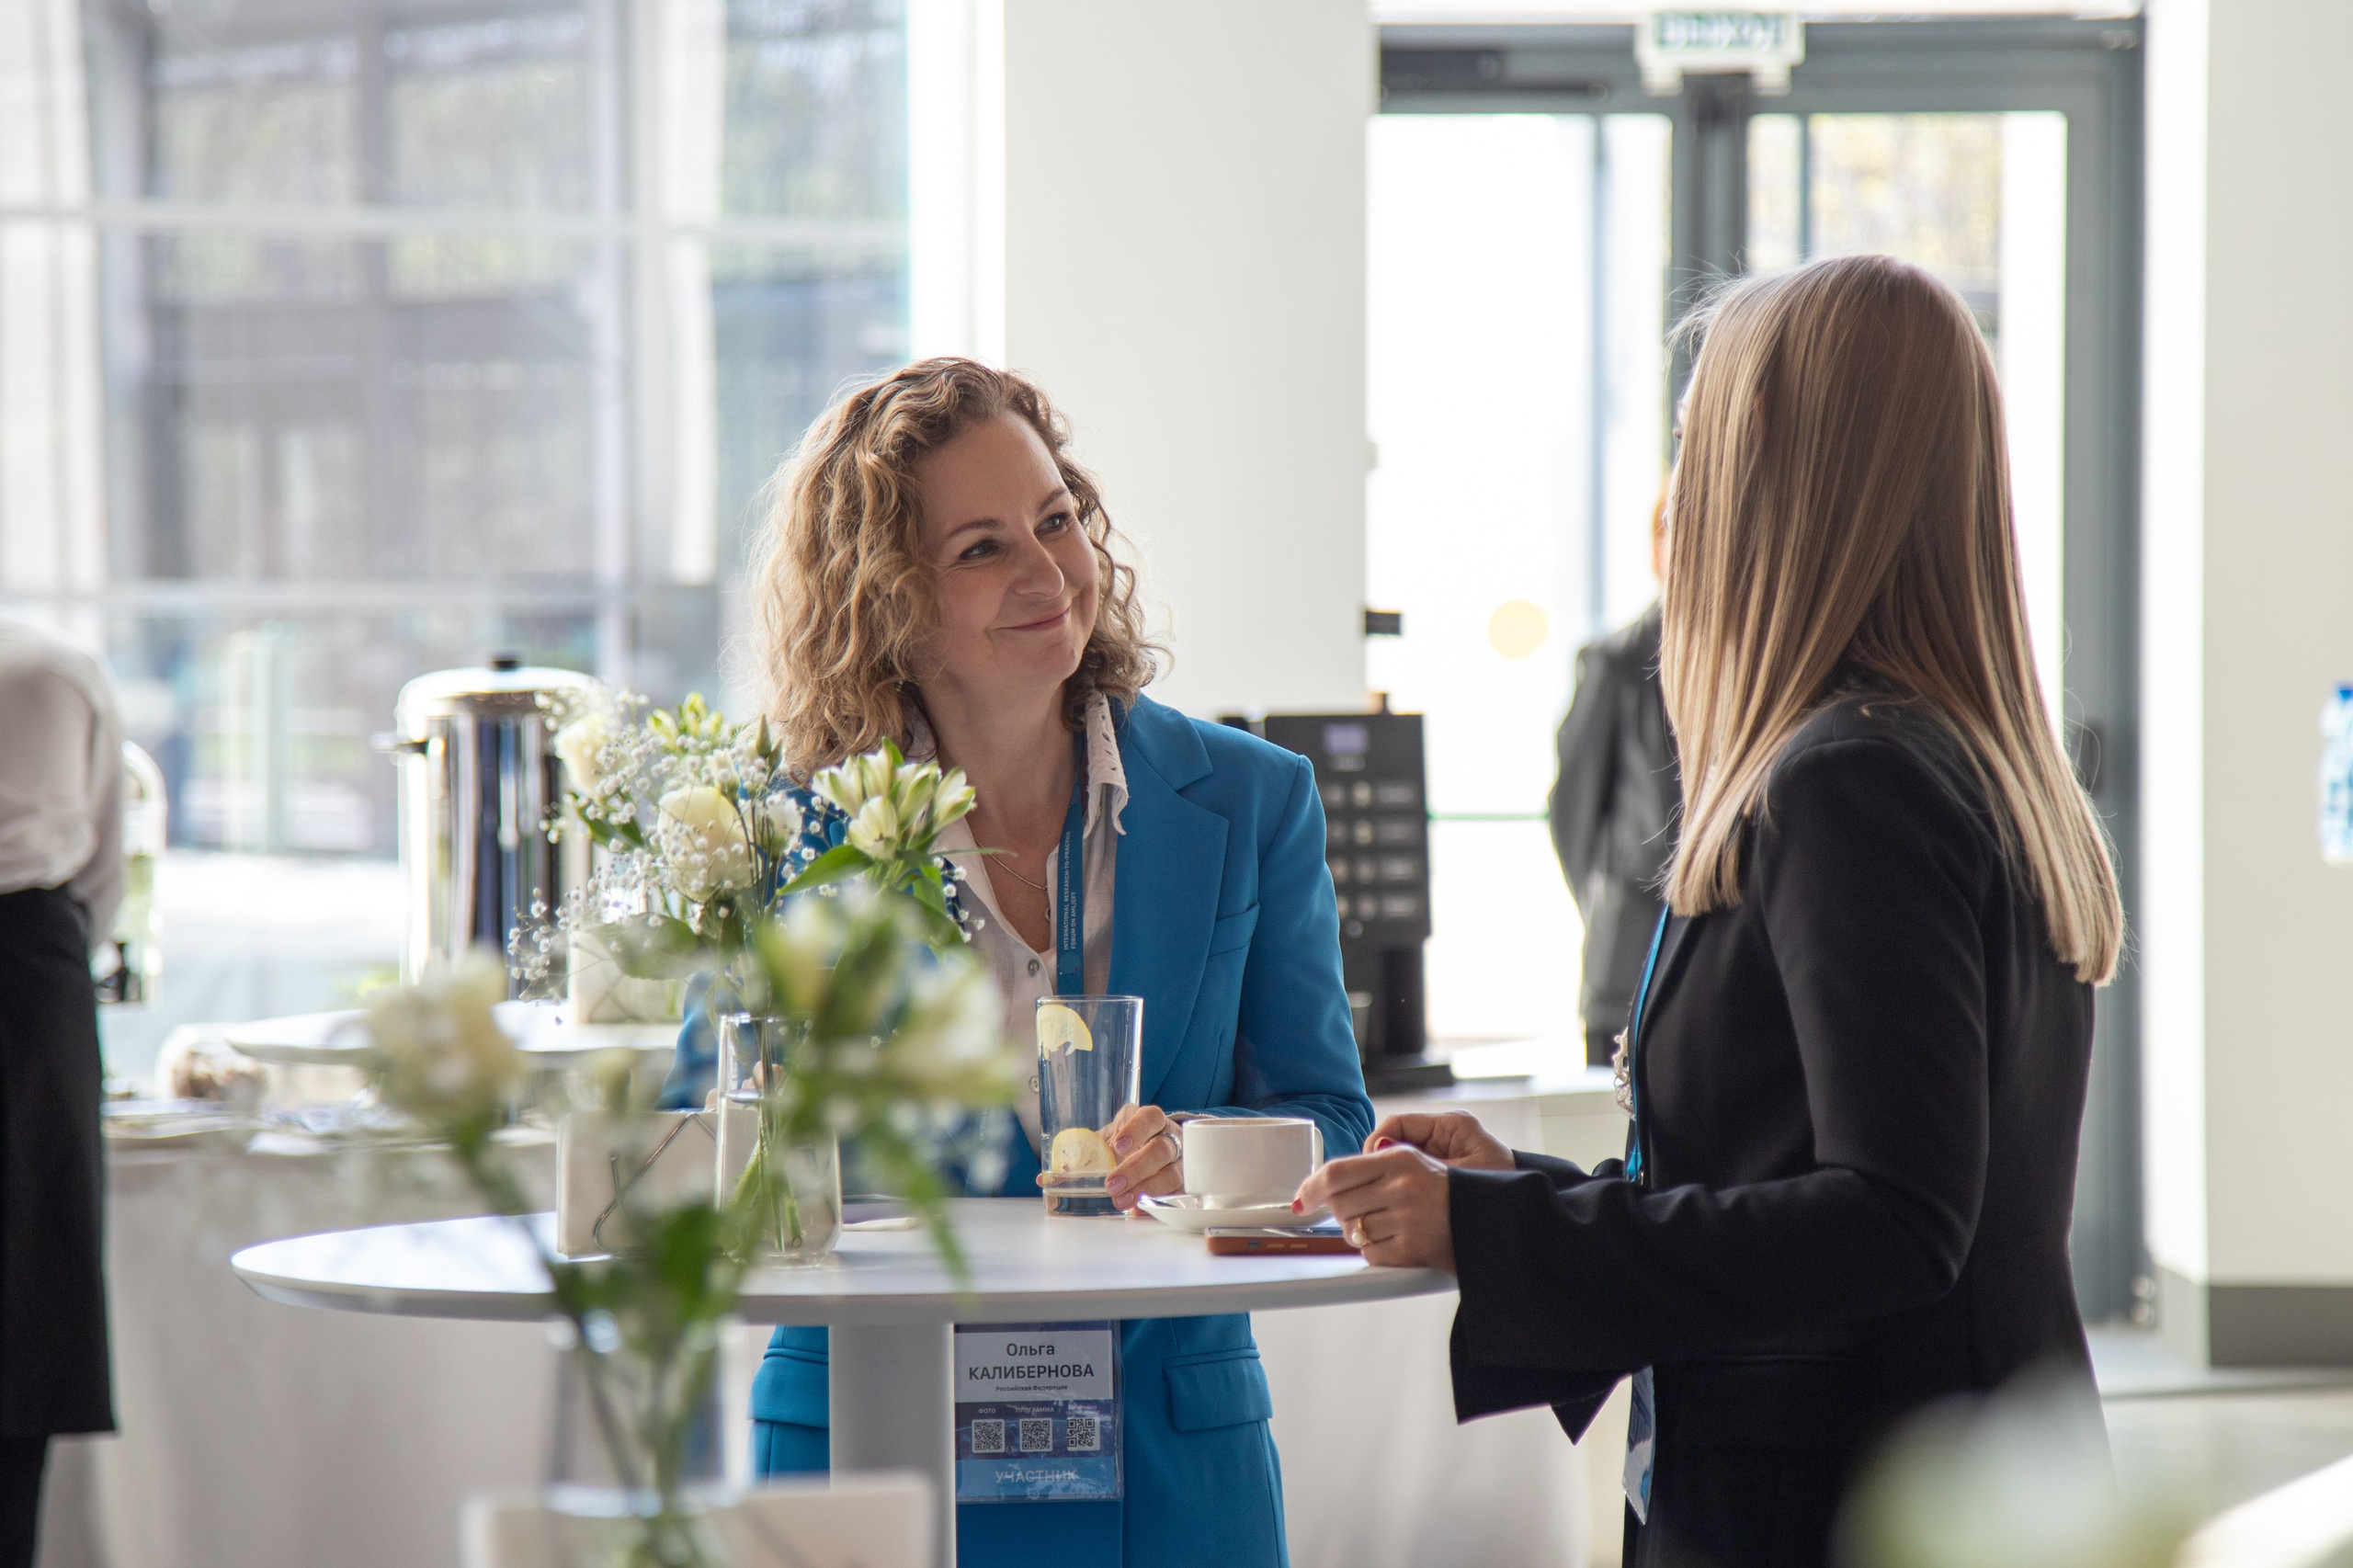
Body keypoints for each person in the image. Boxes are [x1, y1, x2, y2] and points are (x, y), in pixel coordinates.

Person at [1296, 255, 2123, 1568]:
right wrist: (1520, 1188)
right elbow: (1807, 1170)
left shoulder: (1847, 779)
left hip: (1842, 1500)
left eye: (1698, 442)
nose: (1674, 494)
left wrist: (1501, 1231)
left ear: (1781, 480)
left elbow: (1893, 1218)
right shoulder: (1955, 759)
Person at [718, 357, 1373, 1567]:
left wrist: (1202, 1152)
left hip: (1175, 1468)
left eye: (1056, 519)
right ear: (886, 598)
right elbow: (699, 1135)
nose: (1048, 570)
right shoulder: (779, 831)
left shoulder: (1250, 799)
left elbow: (1331, 1114)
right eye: (981, 548)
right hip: (864, 1444)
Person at [0, 619, 123, 1568]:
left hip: (33, 969)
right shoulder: (53, 664)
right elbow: (102, 868)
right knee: (21, 1312)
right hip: (28, 976)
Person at [1548, 494, 1681, 1067]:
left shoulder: (1749, 665)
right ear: (1656, 549)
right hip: (1628, 965)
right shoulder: (1617, 662)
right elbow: (1572, 817)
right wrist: (1614, 899)